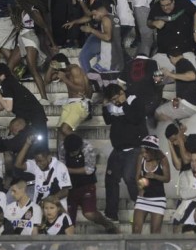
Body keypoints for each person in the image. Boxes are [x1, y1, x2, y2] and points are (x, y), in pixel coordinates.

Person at [102, 83, 147, 221]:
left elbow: (135, 118)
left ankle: (141, 206)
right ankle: (111, 214)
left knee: (130, 177)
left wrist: (124, 104)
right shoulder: (111, 104)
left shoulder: (134, 100)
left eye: (116, 98)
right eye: (112, 99)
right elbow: (108, 120)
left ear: (122, 92)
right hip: (118, 149)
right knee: (110, 179)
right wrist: (105, 106)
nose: (115, 101)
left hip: (134, 148)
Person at [58, 134, 118, 233]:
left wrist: (68, 170)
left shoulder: (87, 147)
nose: (72, 155)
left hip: (86, 184)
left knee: (89, 213)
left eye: (74, 152)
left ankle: (108, 224)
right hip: (69, 187)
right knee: (69, 218)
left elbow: (89, 169)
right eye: (70, 153)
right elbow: (61, 164)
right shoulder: (62, 147)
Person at [0, 63, 48, 143]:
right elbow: (1, 106)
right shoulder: (6, 83)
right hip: (25, 117)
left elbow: (8, 108)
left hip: (34, 117)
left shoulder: (7, 84)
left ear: (2, 76)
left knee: (38, 148)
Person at [133, 135, 170, 234]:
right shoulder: (141, 158)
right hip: (143, 198)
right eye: (142, 152)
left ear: (152, 151)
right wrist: (140, 185)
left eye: (146, 152)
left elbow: (167, 178)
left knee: (155, 232)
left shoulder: (163, 160)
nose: (144, 154)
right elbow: (137, 176)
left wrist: (155, 176)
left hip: (158, 199)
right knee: (136, 229)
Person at [155, 49, 196, 121]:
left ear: (171, 57)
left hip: (186, 103)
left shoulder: (182, 62)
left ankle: (174, 130)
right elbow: (171, 79)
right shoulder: (182, 65)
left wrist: (169, 74)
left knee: (158, 113)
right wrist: (161, 77)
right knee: (168, 103)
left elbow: (192, 76)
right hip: (187, 103)